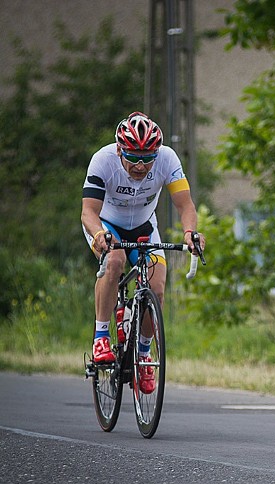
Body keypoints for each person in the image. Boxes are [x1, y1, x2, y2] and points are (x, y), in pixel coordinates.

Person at [81, 111, 206, 394]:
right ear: (119, 150)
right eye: (133, 157)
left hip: (145, 227)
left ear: (156, 154)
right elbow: (88, 212)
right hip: (106, 226)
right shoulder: (103, 161)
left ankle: (143, 354)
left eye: (147, 158)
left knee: (157, 287)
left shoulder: (168, 159)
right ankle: (101, 335)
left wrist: (189, 233)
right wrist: (100, 234)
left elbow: (185, 206)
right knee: (114, 261)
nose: (140, 165)